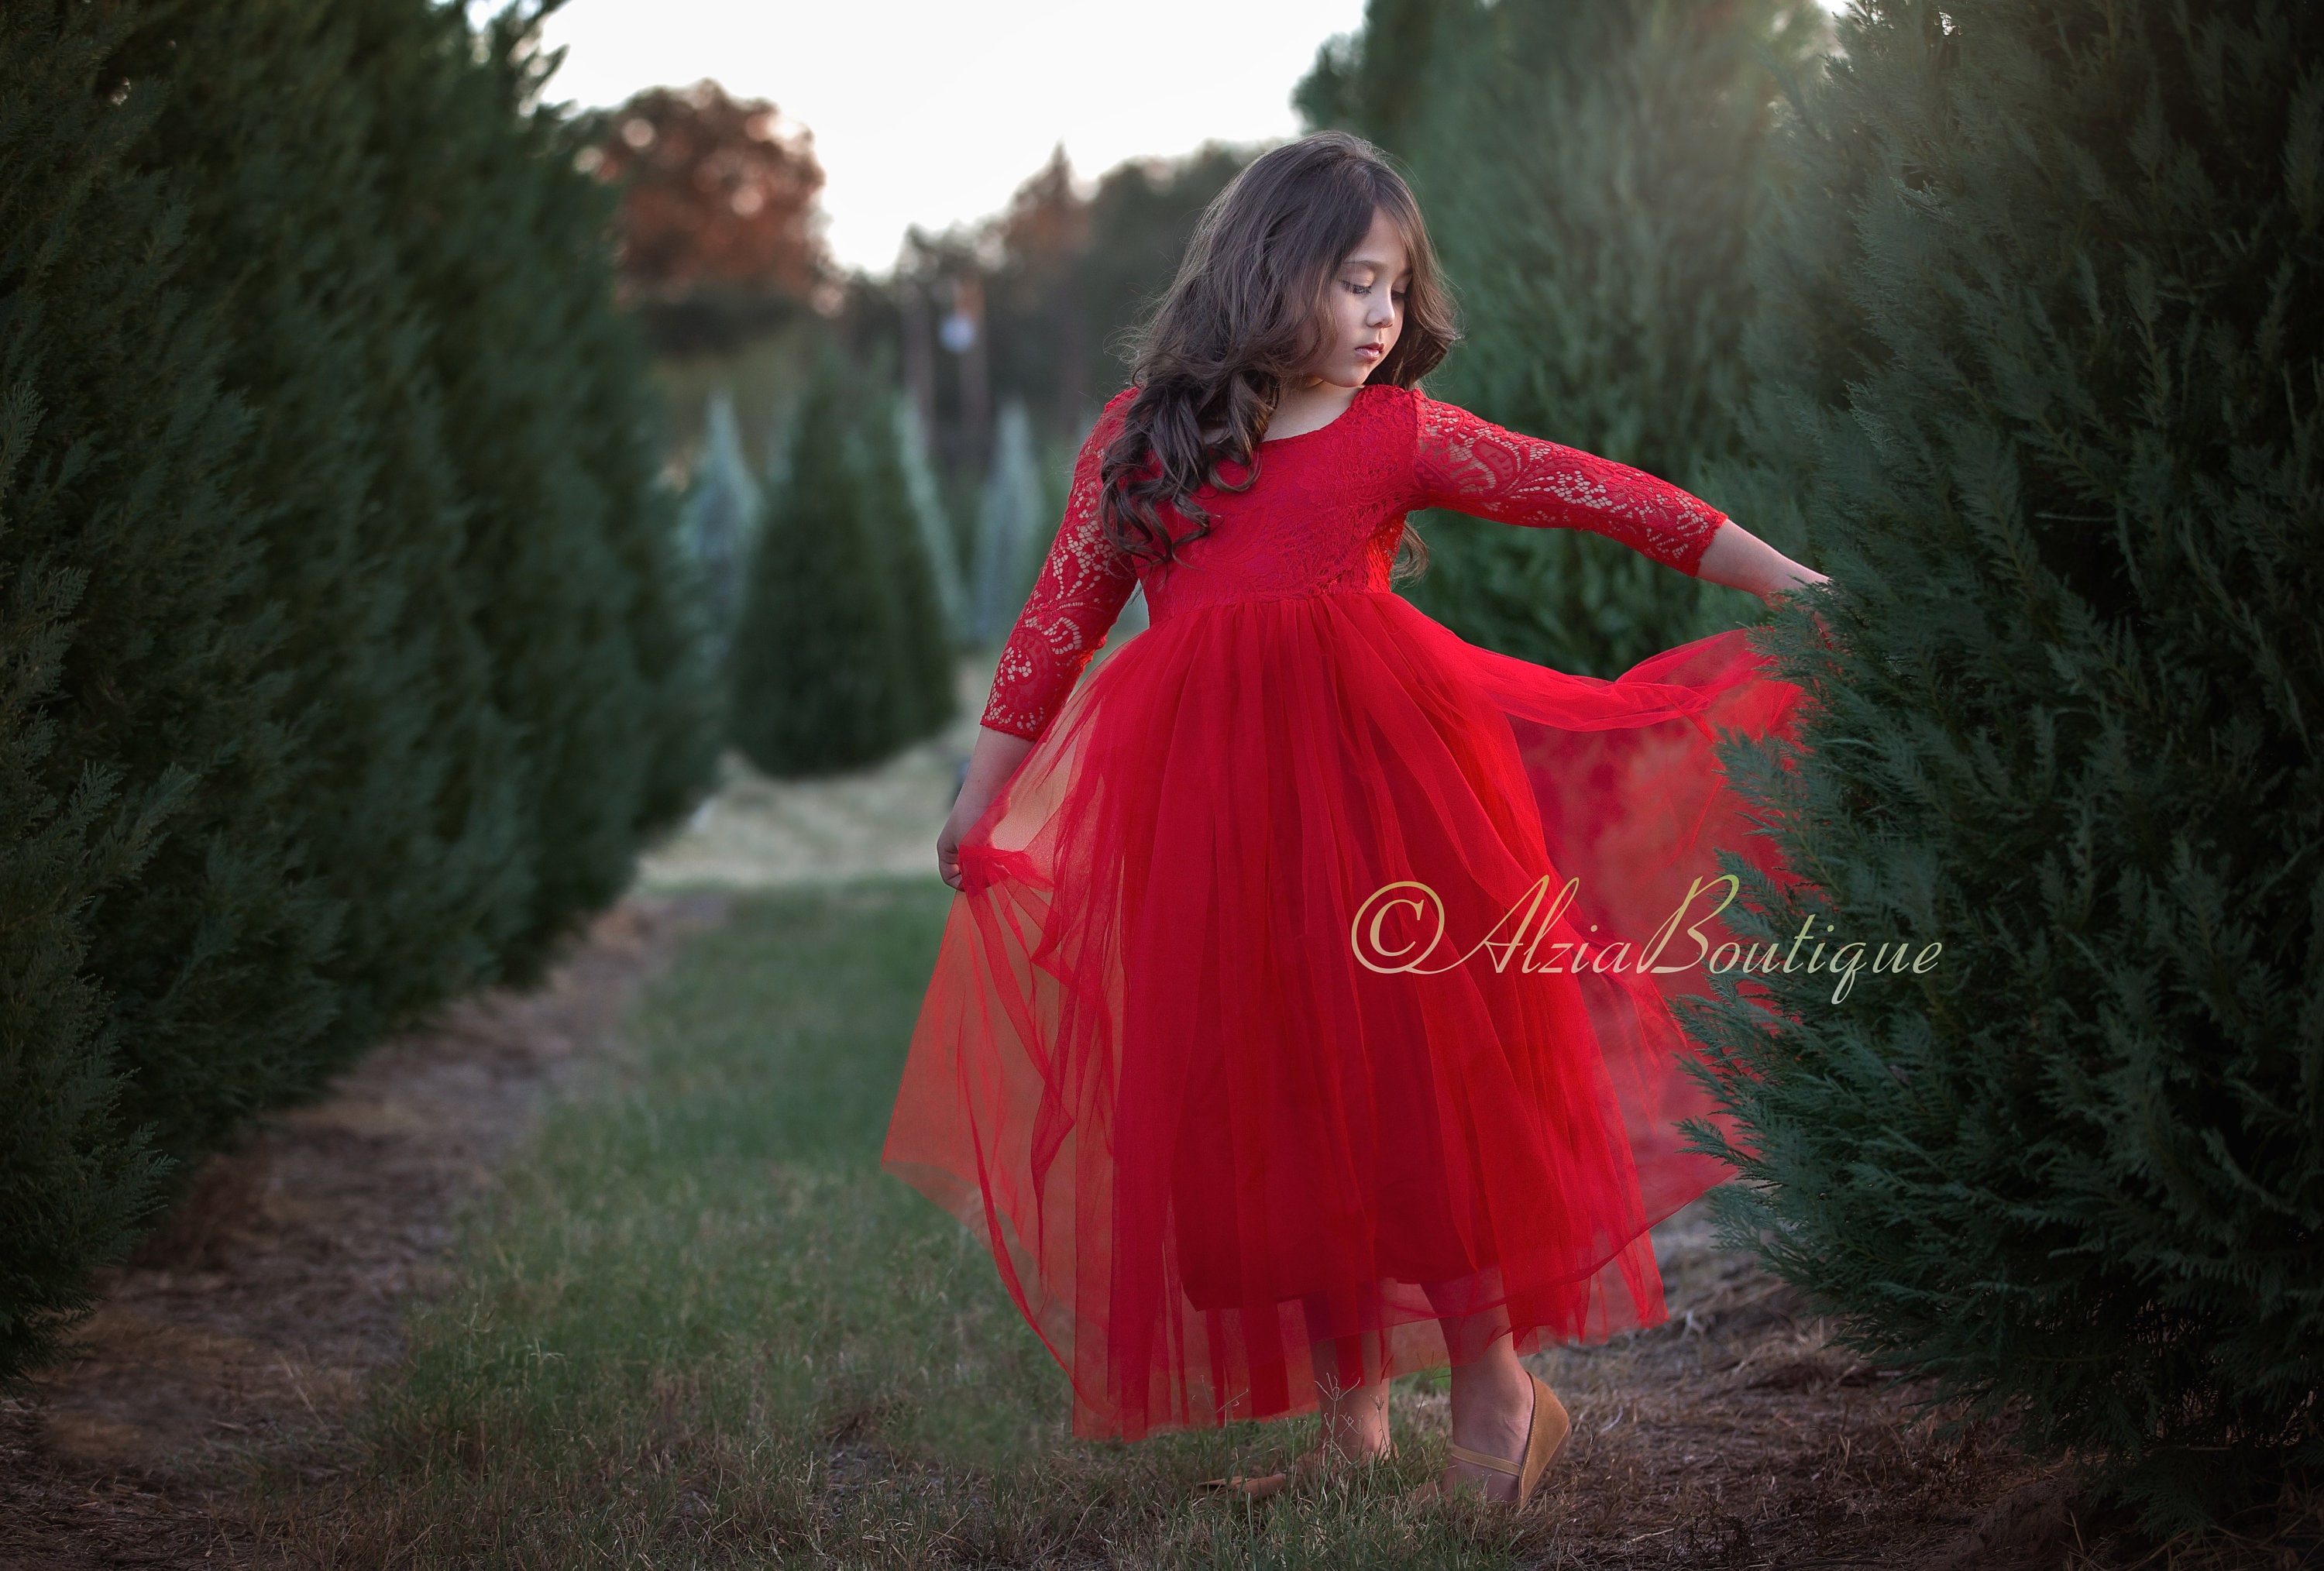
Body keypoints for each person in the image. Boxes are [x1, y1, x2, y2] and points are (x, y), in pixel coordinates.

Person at [882, 130, 1826, 1511]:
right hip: (1213, 828)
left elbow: (1598, 492)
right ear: (1272, 278)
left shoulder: (1394, 436)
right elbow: (1056, 618)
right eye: (1359, 285)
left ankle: (1499, 1393)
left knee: (1407, 1096)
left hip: (1387, 812)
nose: (1388, 319)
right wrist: (981, 792)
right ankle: (1352, 1425)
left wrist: (1786, 581)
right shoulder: (1145, 443)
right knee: (1270, 1100)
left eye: (1398, 289)